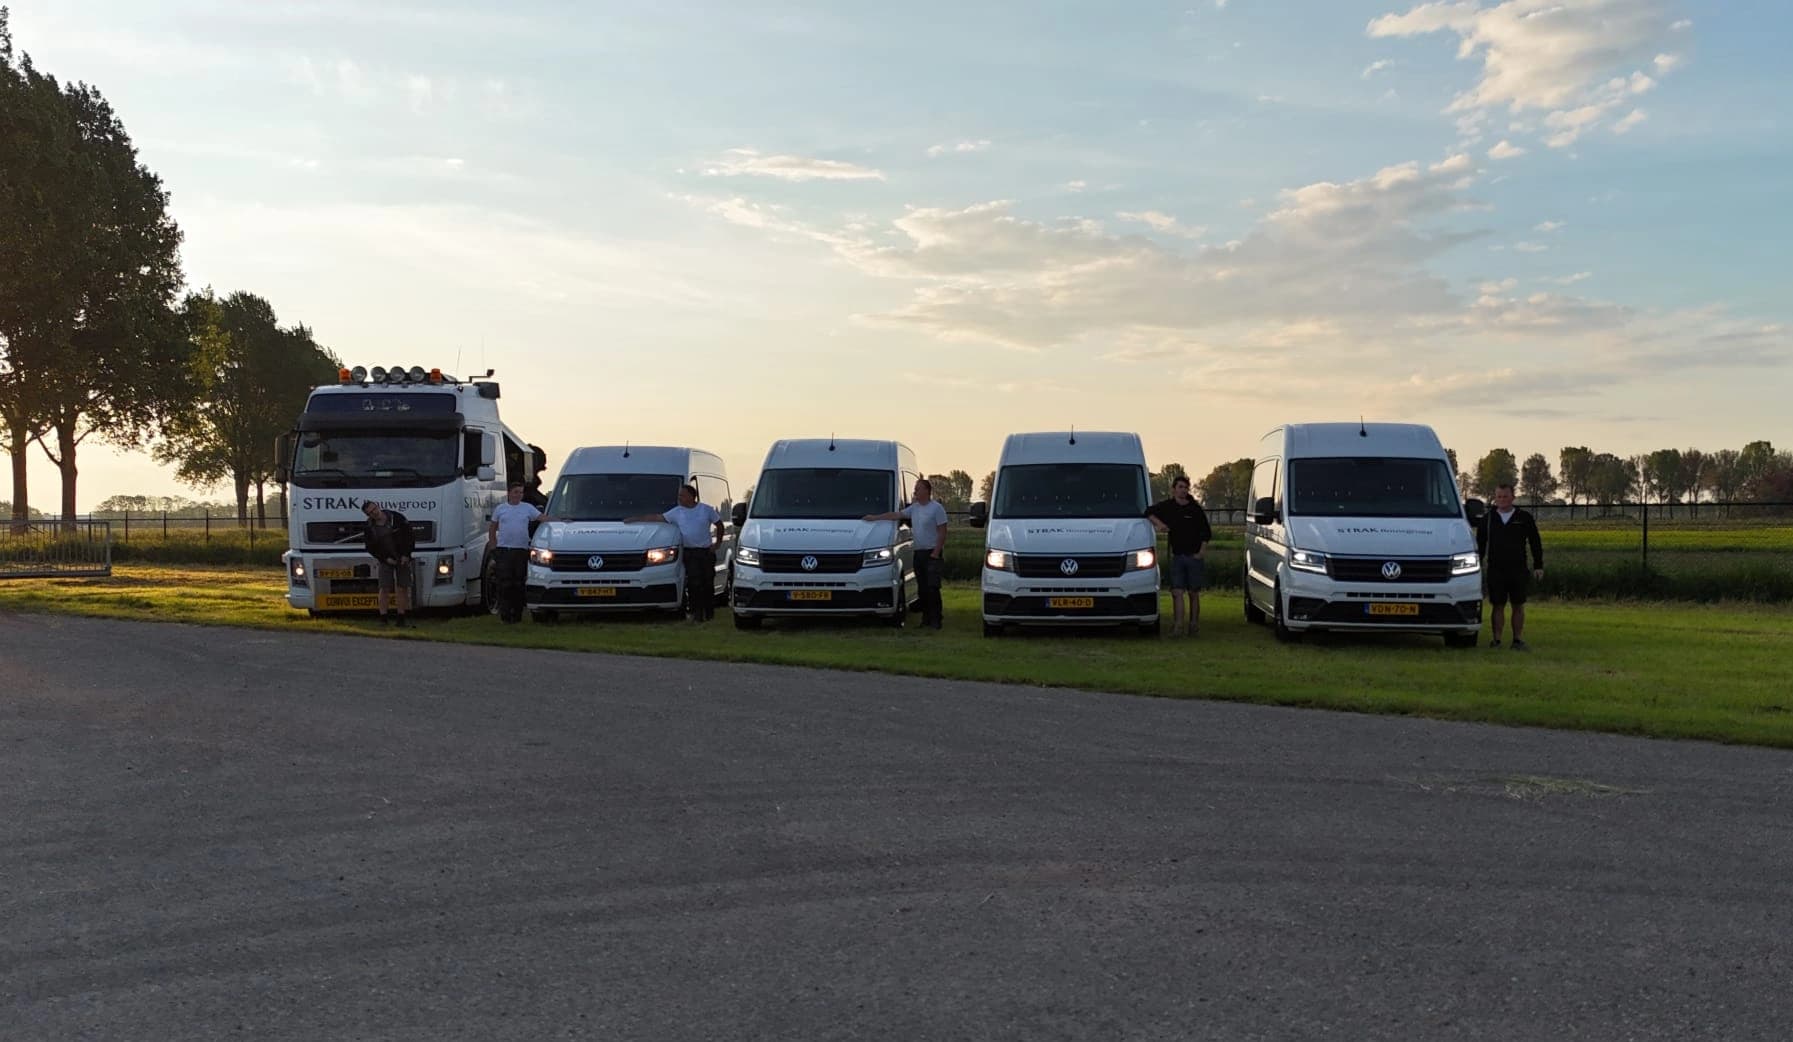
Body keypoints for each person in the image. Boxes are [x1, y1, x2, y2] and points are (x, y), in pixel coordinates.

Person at [628, 483, 725, 621]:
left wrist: (718, 543)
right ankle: (696, 613)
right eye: (679, 495)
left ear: (692, 496)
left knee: (708, 583)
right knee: (694, 583)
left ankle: (709, 612)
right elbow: (658, 518)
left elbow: (719, 525)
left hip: (705, 552)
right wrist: (636, 519)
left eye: (682, 495)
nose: (679, 498)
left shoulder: (706, 510)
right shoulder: (677, 512)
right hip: (690, 553)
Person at [865, 478, 949, 630]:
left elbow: (942, 531)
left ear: (926, 491)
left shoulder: (936, 509)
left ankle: (937, 619)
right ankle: (926, 619)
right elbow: (897, 515)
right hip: (919, 552)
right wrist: (875, 518)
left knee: (932, 588)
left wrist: (936, 552)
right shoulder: (915, 508)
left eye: (918, 489)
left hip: (932, 553)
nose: (915, 492)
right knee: (922, 588)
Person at [1476, 481, 1545, 651]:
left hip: (1518, 569)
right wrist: (1477, 567)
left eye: (1505, 496)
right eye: (1499, 496)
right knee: (1497, 605)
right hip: (1496, 570)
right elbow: (1480, 545)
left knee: (1518, 605)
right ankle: (1497, 641)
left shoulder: (1524, 518)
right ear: (1495, 498)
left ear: (1513, 497)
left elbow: (1535, 543)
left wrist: (1538, 565)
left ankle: (1517, 640)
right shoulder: (1488, 519)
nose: (1502, 499)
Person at [1145, 474, 1213, 637]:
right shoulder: (1167, 507)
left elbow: (1206, 532)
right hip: (1177, 556)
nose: (1183, 490)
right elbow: (1148, 512)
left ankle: (1194, 625)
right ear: (1173, 489)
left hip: (1193, 556)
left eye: (1185, 487)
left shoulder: (1195, 509)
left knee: (1193, 593)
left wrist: (1201, 552)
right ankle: (1178, 627)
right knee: (1176, 592)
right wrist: (1160, 525)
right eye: (1180, 487)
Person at [488, 481, 541, 624]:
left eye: (521, 492)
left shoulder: (527, 508)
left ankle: (517, 614)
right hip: (505, 551)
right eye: (516, 492)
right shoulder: (501, 509)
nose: (519, 495)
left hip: (521, 551)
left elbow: (542, 518)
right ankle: (505, 615)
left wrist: (561, 520)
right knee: (504, 584)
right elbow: (492, 529)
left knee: (518, 583)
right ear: (509, 493)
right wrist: (493, 548)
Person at [361, 499, 416, 628]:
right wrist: (385, 559)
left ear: (378, 506)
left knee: (402, 587)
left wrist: (406, 555)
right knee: (384, 588)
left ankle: (401, 618)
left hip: (402, 558)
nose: (374, 513)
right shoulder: (369, 527)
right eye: (370, 512)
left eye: (374, 509)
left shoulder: (397, 518)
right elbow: (370, 547)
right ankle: (383, 618)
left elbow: (410, 536)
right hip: (385, 560)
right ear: (368, 515)